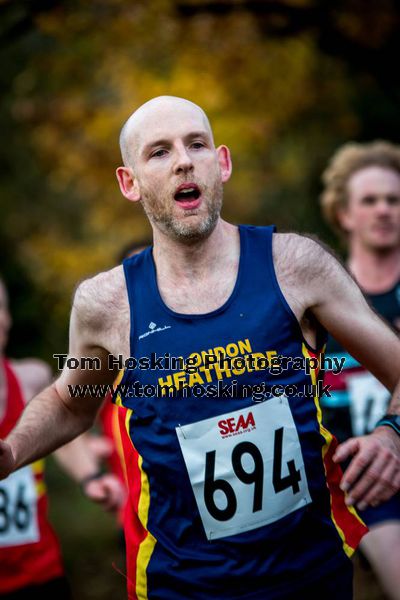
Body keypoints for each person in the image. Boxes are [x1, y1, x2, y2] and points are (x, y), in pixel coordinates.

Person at [0, 96, 400, 600]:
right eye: (159, 152)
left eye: (196, 144)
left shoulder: (297, 266)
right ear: (130, 183)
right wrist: (12, 450)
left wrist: (392, 434)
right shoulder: (106, 304)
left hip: (310, 575)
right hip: (181, 584)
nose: (184, 160)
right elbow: (68, 401)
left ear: (222, 163)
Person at [0, 276, 125, 599]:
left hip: (38, 572)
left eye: (0, 307)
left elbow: (61, 429)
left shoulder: (30, 378)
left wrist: (90, 478)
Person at [320, 140, 400, 600]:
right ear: (344, 214)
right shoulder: (317, 299)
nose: (384, 210)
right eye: (370, 200)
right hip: (359, 485)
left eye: (393, 199)